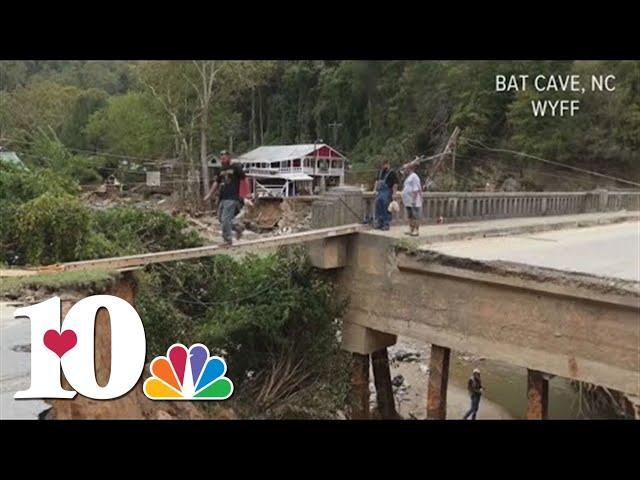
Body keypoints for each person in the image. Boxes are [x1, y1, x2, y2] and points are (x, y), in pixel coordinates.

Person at [203, 151, 246, 246]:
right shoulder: (220, 170)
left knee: (225, 220)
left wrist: (246, 194)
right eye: (221, 157)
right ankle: (238, 228)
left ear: (229, 157)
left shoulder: (236, 167)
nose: (222, 159)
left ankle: (227, 240)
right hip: (223, 197)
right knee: (220, 219)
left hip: (232, 197)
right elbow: (216, 183)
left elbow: (244, 179)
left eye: (224, 157)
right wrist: (209, 195)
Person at [374, 160, 398, 230]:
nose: (384, 166)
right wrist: (375, 190)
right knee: (378, 206)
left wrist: (394, 193)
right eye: (383, 165)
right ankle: (379, 222)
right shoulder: (380, 172)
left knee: (386, 207)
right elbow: (377, 181)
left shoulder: (392, 173)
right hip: (380, 192)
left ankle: (386, 223)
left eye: (385, 165)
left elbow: (395, 184)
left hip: (387, 192)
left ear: (388, 164)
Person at [401, 162, 422, 236]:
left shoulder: (414, 177)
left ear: (409, 169)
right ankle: (411, 229)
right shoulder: (408, 177)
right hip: (408, 201)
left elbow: (415, 189)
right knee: (410, 216)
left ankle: (416, 230)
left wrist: (413, 200)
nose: (403, 170)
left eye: (405, 169)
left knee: (415, 216)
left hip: (414, 201)